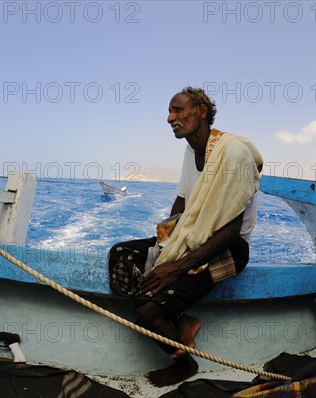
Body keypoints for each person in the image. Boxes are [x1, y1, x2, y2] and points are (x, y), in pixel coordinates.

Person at [108, 86, 263, 387]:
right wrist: (164, 244)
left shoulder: (233, 153)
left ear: (200, 112)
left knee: (148, 310)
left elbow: (231, 230)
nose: (170, 118)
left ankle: (184, 363)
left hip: (229, 249)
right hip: (191, 238)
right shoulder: (192, 149)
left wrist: (174, 268)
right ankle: (181, 323)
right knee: (120, 255)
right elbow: (181, 201)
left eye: (178, 110)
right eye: (169, 112)